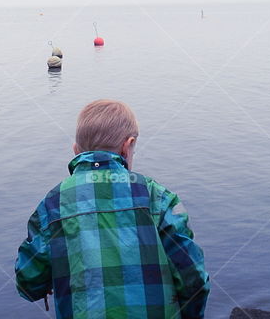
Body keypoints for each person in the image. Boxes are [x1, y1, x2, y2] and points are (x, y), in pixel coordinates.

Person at [15, 99, 210, 318]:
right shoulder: (158, 197)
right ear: (128, 146)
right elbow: (193, 276)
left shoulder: (53, 205)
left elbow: (27, 282)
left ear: (75, 150)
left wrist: (46, 280)